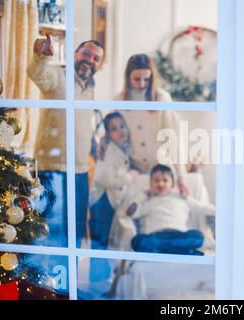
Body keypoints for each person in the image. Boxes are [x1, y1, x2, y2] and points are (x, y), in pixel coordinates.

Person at [27, 35, 105, 247]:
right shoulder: (58, 76)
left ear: (100, 64)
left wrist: (93, 142)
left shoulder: (89, 87)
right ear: (74, 55)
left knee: (75, 232)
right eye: (86, 53)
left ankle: (70, 279)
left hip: (79, 170)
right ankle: (46, 280)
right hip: (50, 169)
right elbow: (36, 73)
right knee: (48, 230)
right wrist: (41, 56)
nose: (90, 59)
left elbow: (79, 121)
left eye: (96, 58)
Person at [114, 54, 189, 197]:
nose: (142, 84)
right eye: (137, 79)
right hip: (134, 172)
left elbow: (173, 139)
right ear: (128, 77)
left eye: (146, 79)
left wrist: (181, 176)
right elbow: (114, 137)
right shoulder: (119, 101)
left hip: (162, 171)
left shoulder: (162, 98)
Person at [126, 164, 214, 255]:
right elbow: (130, 213)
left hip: (178, 235)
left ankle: (165, 249)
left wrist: (220, 211)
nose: (160, 184)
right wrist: (142, 195)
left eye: (165, 180)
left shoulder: (183, 198)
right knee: (138, 241)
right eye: (156, 181)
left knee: (197, 237)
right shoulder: (149, 202)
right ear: (150, 184)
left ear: (172, 184)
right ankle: (181, 251)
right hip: (157, 236)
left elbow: (201, 207)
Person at [89, 112, 140, 252]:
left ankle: (102, 271)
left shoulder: (120, 149)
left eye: (122, 126)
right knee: (100, 239)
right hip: (102, 200)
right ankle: (98, 272)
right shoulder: (110, 151)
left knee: (105, 239)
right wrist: (129, 177)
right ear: (108, 134)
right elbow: (105, 180)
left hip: (109, 200)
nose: (120, 130)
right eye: (114, 129)